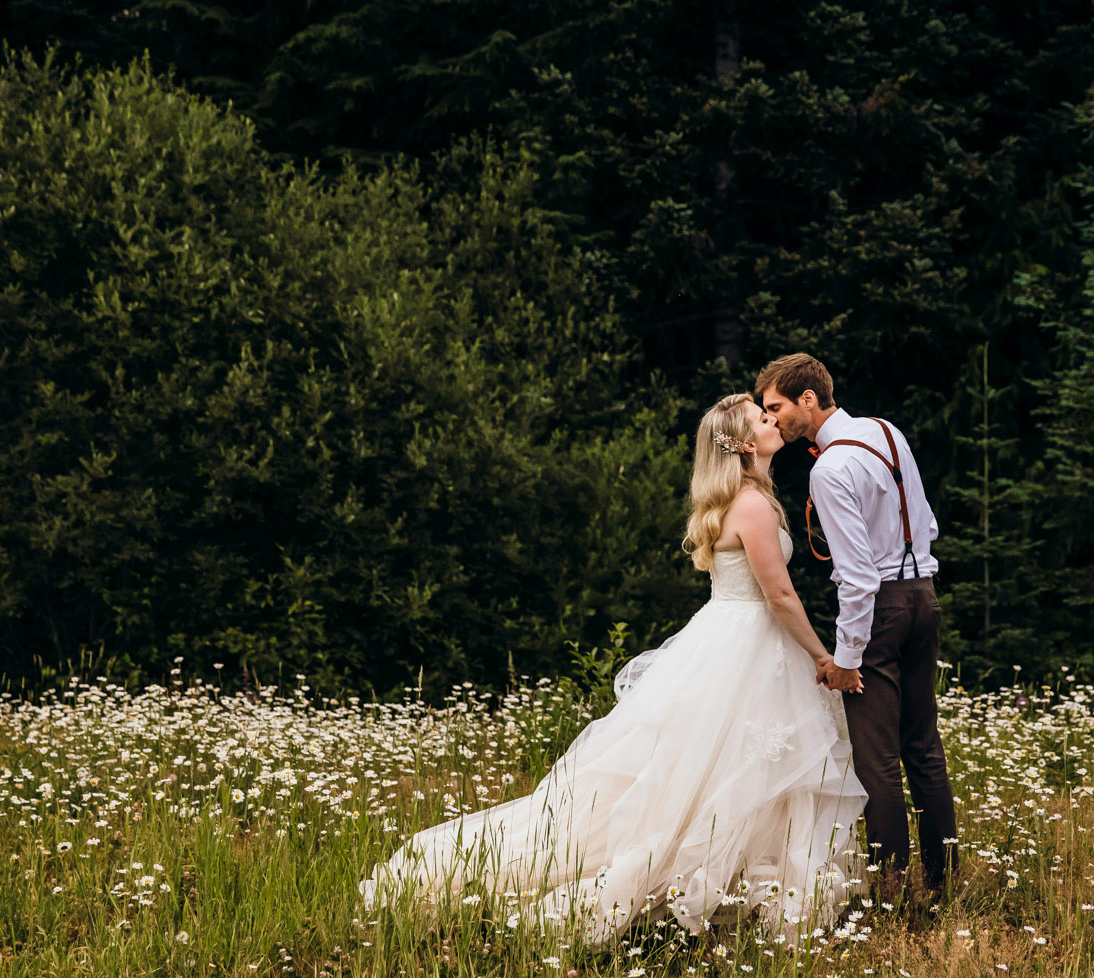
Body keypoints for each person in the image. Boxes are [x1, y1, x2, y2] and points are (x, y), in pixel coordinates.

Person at [358, 395, 867, 942]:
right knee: (729, 773)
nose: (774, 421)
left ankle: (734, 890)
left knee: (729, 773)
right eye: (762, 418)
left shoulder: (746, 498)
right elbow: (781, 596)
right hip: (745, 646)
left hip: (734, 641)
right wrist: (823, 657)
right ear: (744, 444)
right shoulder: (752, 506)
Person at [755, 353, 959, 903]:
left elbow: (858, 576)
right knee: (924, 747)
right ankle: (943, 886)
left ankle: (890, 894)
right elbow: (927, 521)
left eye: (776, 408)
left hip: (884, 611)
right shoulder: (886, 432)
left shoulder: (829, 469)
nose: (772, 421)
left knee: (877, 760)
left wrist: (847, 658)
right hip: (924, 596)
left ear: (808, 399)